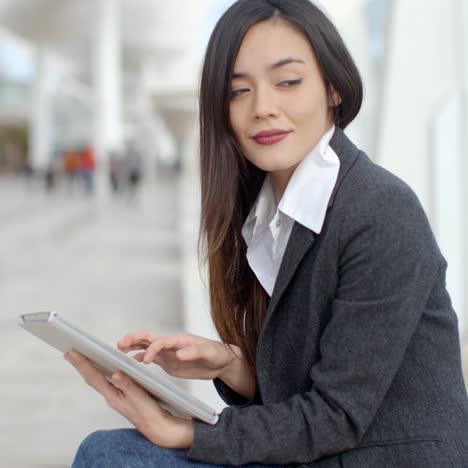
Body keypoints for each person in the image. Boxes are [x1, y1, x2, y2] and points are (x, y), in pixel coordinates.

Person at [65, 0, 468, 466]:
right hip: (325, 453)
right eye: (238, 91)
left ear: (333, 87)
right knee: (110, 451)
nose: (262, 108)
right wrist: (231, 365)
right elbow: (314, 386)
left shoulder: (380, 211)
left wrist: (185, 432)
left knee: (113, 455)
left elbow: (336, 414)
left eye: (288, 82)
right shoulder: (265, 219)